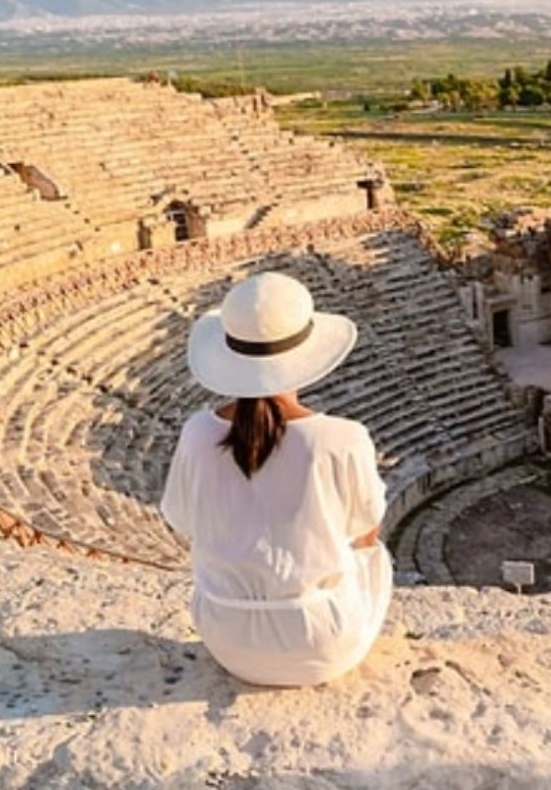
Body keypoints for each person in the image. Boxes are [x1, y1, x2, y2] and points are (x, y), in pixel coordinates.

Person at [161, 272, 392, 687]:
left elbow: (181, 522)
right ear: (306, 353)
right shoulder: (342, 438)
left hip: (226, 637)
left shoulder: (196, 433)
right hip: (322, 642)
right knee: (374, 559)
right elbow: (366, 534)